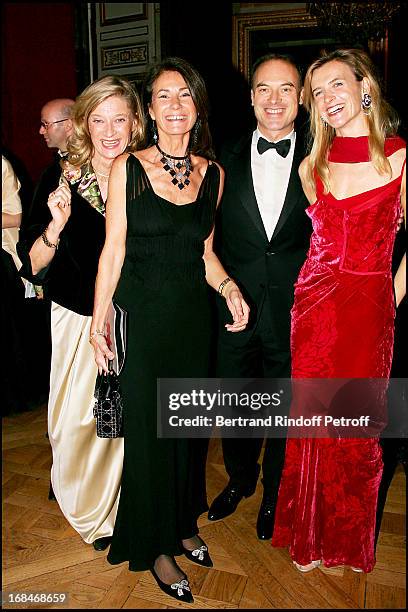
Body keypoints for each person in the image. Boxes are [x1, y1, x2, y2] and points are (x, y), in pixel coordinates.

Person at [90, 57, 249, 604]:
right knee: (151, 436)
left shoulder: (214, 173)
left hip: (191, 322)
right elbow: (112, 252)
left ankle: (183, 523)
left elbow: (205, 253)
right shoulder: (128, 168)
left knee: (186, 430)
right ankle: (155, 544)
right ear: (149, 110)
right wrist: (98, 321)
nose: (175, 105)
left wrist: (228, 288)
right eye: (163, 96)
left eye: (185, 94)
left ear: (197, 105)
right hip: (144, 320)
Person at [271, 48, 406, 573]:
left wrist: (388, 298)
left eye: (337, 85)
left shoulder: (397, 156)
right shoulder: (313, 165)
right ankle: (309, 536)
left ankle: (348, 542)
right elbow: (316, 247)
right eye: (318, 92)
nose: (328, 99)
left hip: (370, 308)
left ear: (364, 86)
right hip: (315, 307)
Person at [17, 75, 144, 550]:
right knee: (79, 419)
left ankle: (124, 503)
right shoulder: (62, 175)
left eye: (120, 119)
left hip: (136, 314)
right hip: (77, 317)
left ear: (135, 124)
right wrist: (55, 226)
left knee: (125, 417)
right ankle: (87, 506)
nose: (109, 131)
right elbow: (32, 262)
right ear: (84, 124)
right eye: (98, 119)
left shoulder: (146, 172)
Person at [208, 54, 312, 540]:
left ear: (301, 98)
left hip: (298, 311)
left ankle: (274, 494)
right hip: (235, 310)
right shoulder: (220, 158)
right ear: (250, 97)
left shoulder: (323, 158)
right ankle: (239, 480)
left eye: (286, 89)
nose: (274, 100)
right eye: (264, 89)